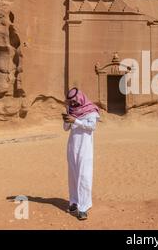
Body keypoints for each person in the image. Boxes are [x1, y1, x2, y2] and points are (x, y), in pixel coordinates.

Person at [63, 87, 100, 220]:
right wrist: (67, 119)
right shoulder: (71, 110)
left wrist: (76, 121)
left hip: (85, 148)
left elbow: (92, 126)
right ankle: (73, 202)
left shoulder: (91, 110)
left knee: (84, 176)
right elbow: (65, 128)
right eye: (70, 101)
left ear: (79, 98)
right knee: (73, 175)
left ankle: (84, 207)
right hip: (72, 146)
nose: (72, 103)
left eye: (74, 101)